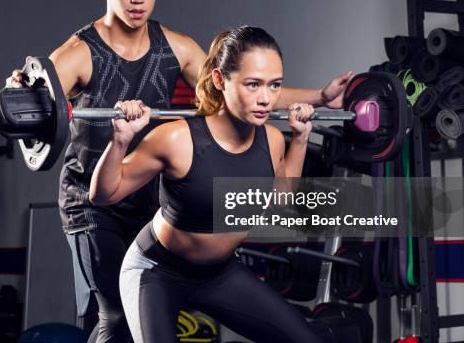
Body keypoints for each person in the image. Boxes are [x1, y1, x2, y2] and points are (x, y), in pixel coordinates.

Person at [6, 0, 352, 341]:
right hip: (93, 203)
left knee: (133, 316)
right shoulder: (80, 53)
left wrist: (319, 96)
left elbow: (240, 87)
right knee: (115, 317)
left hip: (152, 194)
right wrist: (22, 93)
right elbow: (35, 105)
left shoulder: (177, 47)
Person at [89, 26, 323, 343]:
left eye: (274, 85)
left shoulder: (271, 139)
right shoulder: (176, 139)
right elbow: (103, 195)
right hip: (157, 271)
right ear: (219, 80)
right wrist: (120, 140)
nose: (266, 98)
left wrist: (301, 138)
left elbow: (281, 197)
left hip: (219, 274)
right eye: (253, 85)